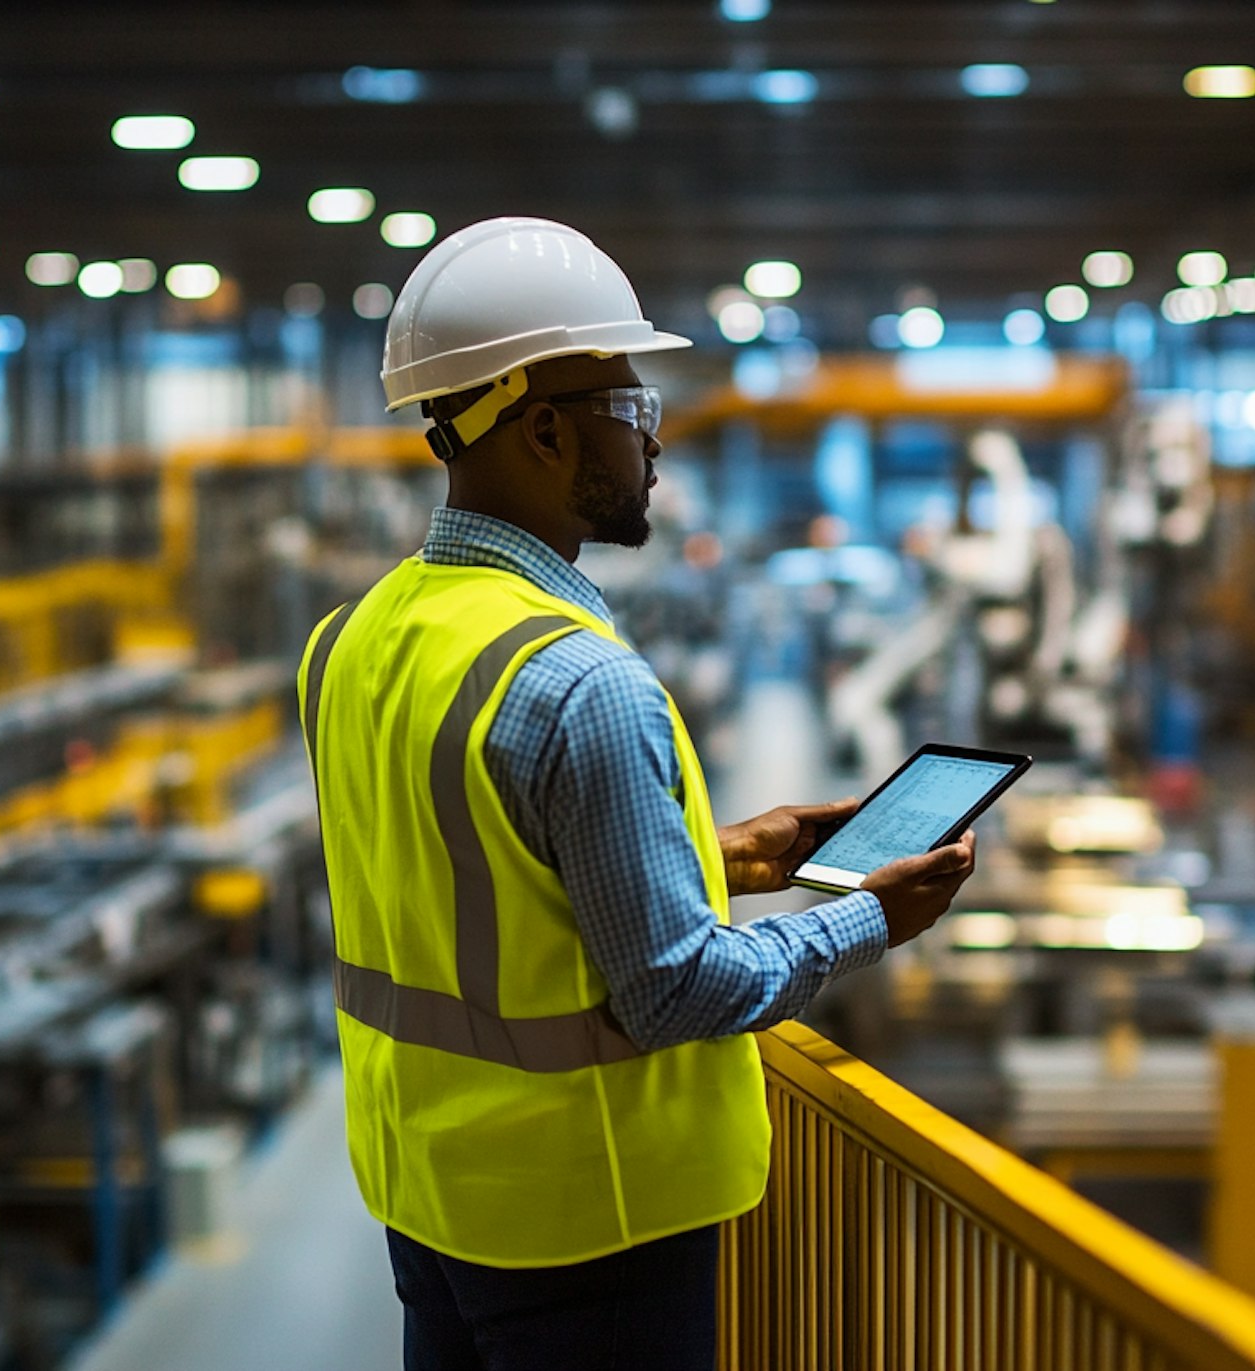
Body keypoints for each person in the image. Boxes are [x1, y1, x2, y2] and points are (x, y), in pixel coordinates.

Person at [297, 217, 978, 1371]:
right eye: (632, 411)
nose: (653, 447)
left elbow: (471, 873)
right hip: (590, 1219)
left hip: (429, 1195)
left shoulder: (349, 640)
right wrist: (875, 914)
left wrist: (720, 857)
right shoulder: (578, 683)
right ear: (547, 431)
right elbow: (669, 993)